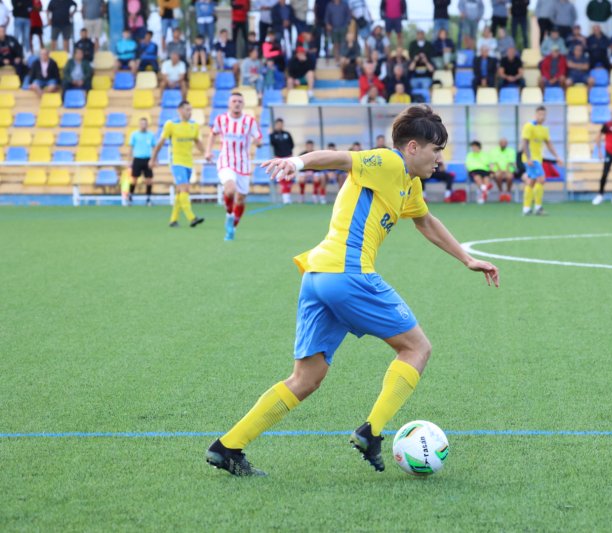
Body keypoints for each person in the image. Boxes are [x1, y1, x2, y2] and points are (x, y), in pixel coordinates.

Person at [205, 105, 500, 477]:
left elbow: (425, 221)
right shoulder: (389, 162)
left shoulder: (409, 183)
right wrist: (297, 164)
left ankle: (227, 446)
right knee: (417, 348)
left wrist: (466, 258)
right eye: (435, 150)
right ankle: (371, 432)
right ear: (412, 147)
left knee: (306, 378)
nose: (440, 159)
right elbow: (341, 158)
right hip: (348, 273)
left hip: (318, 276)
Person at [205, 92, 263, 241]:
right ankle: (229, 215)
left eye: (239, 101)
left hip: (243, 163)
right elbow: (213, 134)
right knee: (230, 190)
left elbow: (258, 137)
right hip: (226, 160)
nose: (237, 103)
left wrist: (258, 142)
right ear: (229, 104)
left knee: (241, 198)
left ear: (243, 104)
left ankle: (233, 227)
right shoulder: (221, 119)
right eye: (234, 101)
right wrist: (208, 151)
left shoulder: (249, 121)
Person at [150, 101, 205, 227]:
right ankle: (192, 218)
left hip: (188, 162)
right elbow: (160, 143)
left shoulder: (194, 125)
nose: (189, 112)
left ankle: (173, 220)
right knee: (185, 188)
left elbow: (197, 142)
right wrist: (153, 158)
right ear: (179, 110)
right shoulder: (171, 124)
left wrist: (206, 154)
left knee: (181, 192)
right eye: (187, 109)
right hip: (176, 161)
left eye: (190, 110)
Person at [521, 106, 563, 216]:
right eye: (539, 114)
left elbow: (549, 144)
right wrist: (528, 157)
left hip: (538, 159)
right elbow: (524, 143)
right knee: (541, 179)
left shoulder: (544, 129)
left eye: (543, 115)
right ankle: (538, 207)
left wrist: (557, 156)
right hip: (531, 159)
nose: (542, 117)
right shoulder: (529, 126)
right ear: (535, 114)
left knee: (532, 182)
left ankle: (526, 208)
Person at [129, 117, 157, 206]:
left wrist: (155, 159)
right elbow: (131, 148)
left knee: (149, 180)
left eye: (145, 123)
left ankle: (148, 199)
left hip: (147, 159)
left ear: (147, 125)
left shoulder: (151, 135)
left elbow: (154, 147)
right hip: (137, 159)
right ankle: (130, 197)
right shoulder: (134, 135)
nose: (143, 125)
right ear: (139, 124)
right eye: (142, 123)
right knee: (134, 180)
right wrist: (129, 160)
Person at [489, 138, 516, 202]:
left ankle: (508, 191)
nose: (503, 144)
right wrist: (500, 170)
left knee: (509, 176)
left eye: (504, 143)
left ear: (507, 144)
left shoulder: (511, 151)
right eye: (502, 143)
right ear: (499, 143)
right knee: (498, 175)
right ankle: (501, 192)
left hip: (508, 169)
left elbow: (510, 161)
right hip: (498, 169)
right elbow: (494, 162)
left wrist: (506, 170)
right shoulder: (494, 151)